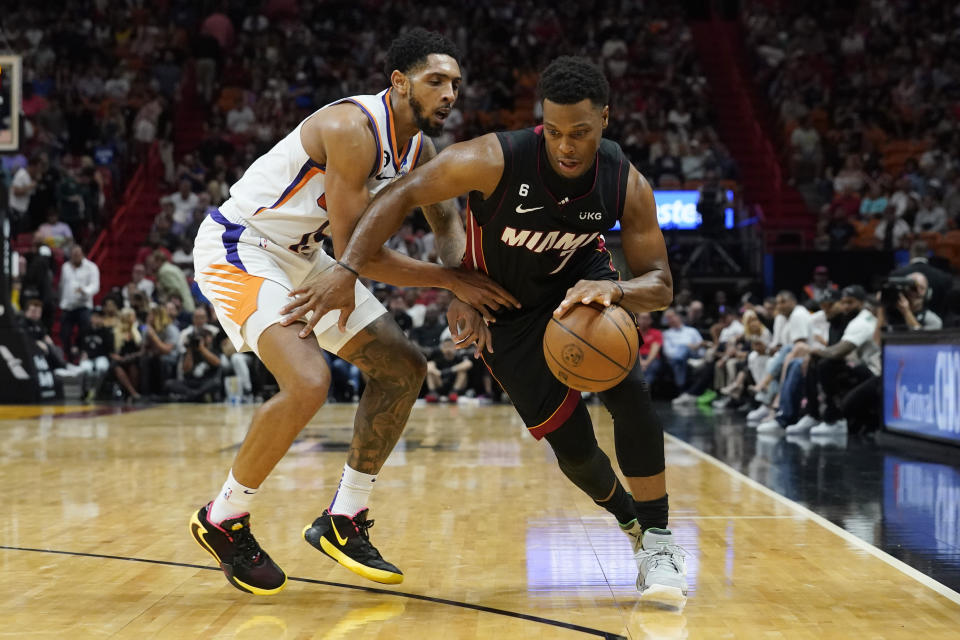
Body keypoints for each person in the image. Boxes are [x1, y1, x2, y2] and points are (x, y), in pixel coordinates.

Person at [304, 56, 688, 605]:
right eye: (554, 132)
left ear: (605, 118)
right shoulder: (490, 158)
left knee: (630, 393)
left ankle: (659, 538)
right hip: (504, 311)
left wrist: (618, 291)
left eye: (580, 132)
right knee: (575, 451)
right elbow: (401, 195)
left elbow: (661, 284)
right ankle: (629, 522)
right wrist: (427, 279)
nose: (566, 147)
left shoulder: (626, 183)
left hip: (583, 288)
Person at [188, 29, 518, 595]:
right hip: (243, 247)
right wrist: (450, 280)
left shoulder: (422, 149)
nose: (449, 94)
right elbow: (353, 252)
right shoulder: (351, 129)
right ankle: (224, 518)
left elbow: (446, 225)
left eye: (456, 85)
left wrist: (460, 288)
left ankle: (343, 518)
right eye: (435, 81)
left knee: (404, 368)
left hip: (307, 258)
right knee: (309, 381)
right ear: (398, 82)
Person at [59, 245, 100, 361]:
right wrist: (62, 301)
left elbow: (95, 286)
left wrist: (84, 291)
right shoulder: (65, 267)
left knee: (85, 330)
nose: (75, 257)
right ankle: (69, 358)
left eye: (77, 254)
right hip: (68, 306)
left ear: (83, 254)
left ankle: (82, 353)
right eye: (73, 255)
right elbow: (62, 285)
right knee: (64, 334)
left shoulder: (91, 267)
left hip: (83, 305)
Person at [424, 337, 472, 402]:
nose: (448, 349)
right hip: (441, 384)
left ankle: (454, 393)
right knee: (430, 373)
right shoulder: (438, 357)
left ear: (455, 348)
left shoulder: (458, 357)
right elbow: (428, 365)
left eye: (450, 346)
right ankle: (433, 393)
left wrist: (450, 370)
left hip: (455, 386)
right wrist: (438, 372)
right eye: (446, 347)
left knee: (462, 372)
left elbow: (468, 364)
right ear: (442, 348)